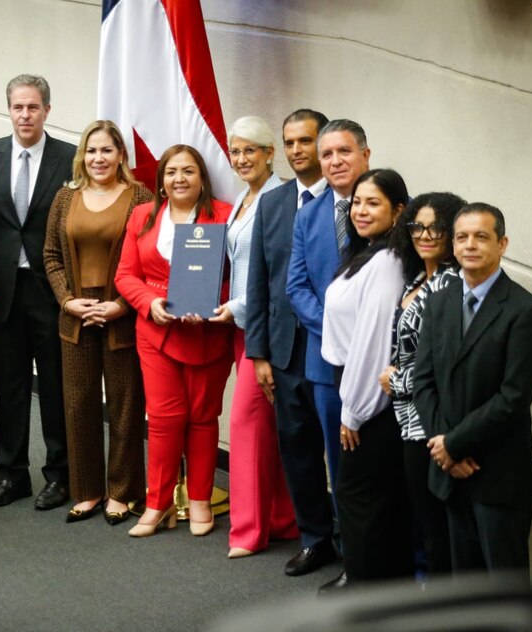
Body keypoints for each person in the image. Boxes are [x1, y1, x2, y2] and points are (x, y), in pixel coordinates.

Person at [414, 203, 532, 573]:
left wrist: (455, 445)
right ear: (453, 246)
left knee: (504, 591)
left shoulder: (526, 311)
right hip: (450, 472)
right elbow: (423, 380)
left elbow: (513, 398)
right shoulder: (439, 301)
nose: (470, 244)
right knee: (466, 590)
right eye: (462, 237)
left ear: (502, 244)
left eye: (481, 236)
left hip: (498, 475)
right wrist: (445, 448)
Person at [115, 144, 234, 537]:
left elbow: (240, 275)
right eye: (171, 172)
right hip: (157, 330)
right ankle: (158, 503)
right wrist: (150, 303)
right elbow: (125, 276)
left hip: (208, 331)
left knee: (202, 418)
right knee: (164, 419)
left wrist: (213, 303)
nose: (179, 178)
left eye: (188, 171)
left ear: (202, 178)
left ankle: (199, 499)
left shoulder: (225, 216)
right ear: (161, 181)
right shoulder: (141, 217)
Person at [0, 74, 77, 510]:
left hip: (50, 290)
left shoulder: (70, 158)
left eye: (33, 107)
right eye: (18, 107)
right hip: (3, 293)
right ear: (9, 109)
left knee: (54, 386)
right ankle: (11, 474)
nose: (25, 115)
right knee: (9, 386)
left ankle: (59, 475)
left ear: (47, 110)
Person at [244, 109, 339, 576]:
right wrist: (258, 352)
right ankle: (315, 537)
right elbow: (258, 279)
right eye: (290, 142)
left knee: (343, 452)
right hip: (283, 352)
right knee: (297, 451)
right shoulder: (273, 201)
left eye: (306, 141)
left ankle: (350, 539)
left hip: (333, 350)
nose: (297, 150)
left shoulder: (347, 203)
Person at [43, 120, 151, 525]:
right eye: (91, 150)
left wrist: (123, 304)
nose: (98, 158)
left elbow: (149, 257)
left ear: (121, 154)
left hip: (120, 316)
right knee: (78, 404)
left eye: (107, 150)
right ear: (81, 156)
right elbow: (51, 255)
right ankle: (87, 490)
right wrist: (68, 301)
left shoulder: (139, 196)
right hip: (75, 317)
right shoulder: (64, 198)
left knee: (125, 407)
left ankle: (122, 493)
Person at [320, 169, 415, 590]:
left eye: (372, 203)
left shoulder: (388, 262)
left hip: (370, 400)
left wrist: (354, 413)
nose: (360, 210)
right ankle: (368, 585)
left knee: (360, 496)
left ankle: (366, 589)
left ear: (399, 211)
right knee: (370, 497)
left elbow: (374, 345)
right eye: (357, 202)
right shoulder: (369, 253)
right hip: (353, 385)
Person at [211, 116, 296, 558]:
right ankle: (283, 520)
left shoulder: (283, 199)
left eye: (250, 150)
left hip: (261, 329)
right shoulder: (245, 196)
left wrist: (238, 307)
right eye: (236, 151)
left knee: (245, 429)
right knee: (266, 431)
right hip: (239, 329)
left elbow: (278, 274)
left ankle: (247, 531)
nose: (242, 158)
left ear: (269, 154)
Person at [380, 192, 466, 577]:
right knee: (420, 516)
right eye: (418, 226)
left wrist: (397, 381)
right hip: (405, 419)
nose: (425, 235)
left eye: (436, 228)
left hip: (429, 422)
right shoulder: (418, 276)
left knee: (436, 523)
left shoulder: (452, 284)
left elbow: (446, 362)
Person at [286, 119, 371, 504]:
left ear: (365, 156)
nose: (335, 161)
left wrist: (365, 336)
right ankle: (351, 552)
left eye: (345, 151)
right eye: (327, 154)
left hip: (379, 361)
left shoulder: (390, 210)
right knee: (339, 464)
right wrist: (337, 330)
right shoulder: (308, 215)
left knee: (381, 463)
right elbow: (297, 287)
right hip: (326, 363)